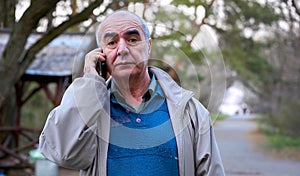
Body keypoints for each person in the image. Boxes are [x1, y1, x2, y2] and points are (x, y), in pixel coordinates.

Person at [39, 10, 225, 176]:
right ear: (101, 54)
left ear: (148, 46)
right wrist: (89, 82)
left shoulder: (190, 111)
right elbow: (63, 153)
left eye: (132, 40)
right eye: (112, 42)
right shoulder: (90, 108)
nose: (122, 49)